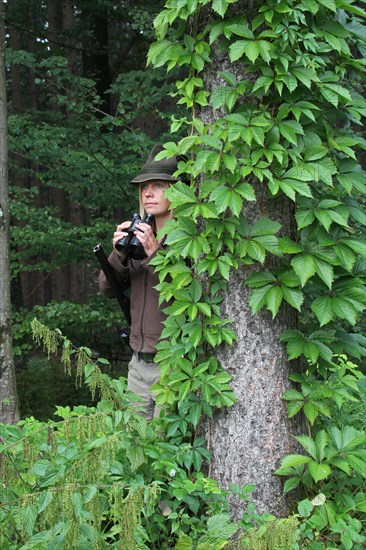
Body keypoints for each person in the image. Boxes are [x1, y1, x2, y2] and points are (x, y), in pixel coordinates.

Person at [99, 144, 181, 422]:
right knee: (133, 446)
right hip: (138, 364)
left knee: (164, 449)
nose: (148, 193)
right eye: (145, 186)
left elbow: (184, 294)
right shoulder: (138, 235)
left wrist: (155, 253)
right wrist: (119, 252)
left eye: (158, 185)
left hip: (173, 364)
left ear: (177, 190)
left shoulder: (190, 239)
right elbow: (107, 289)